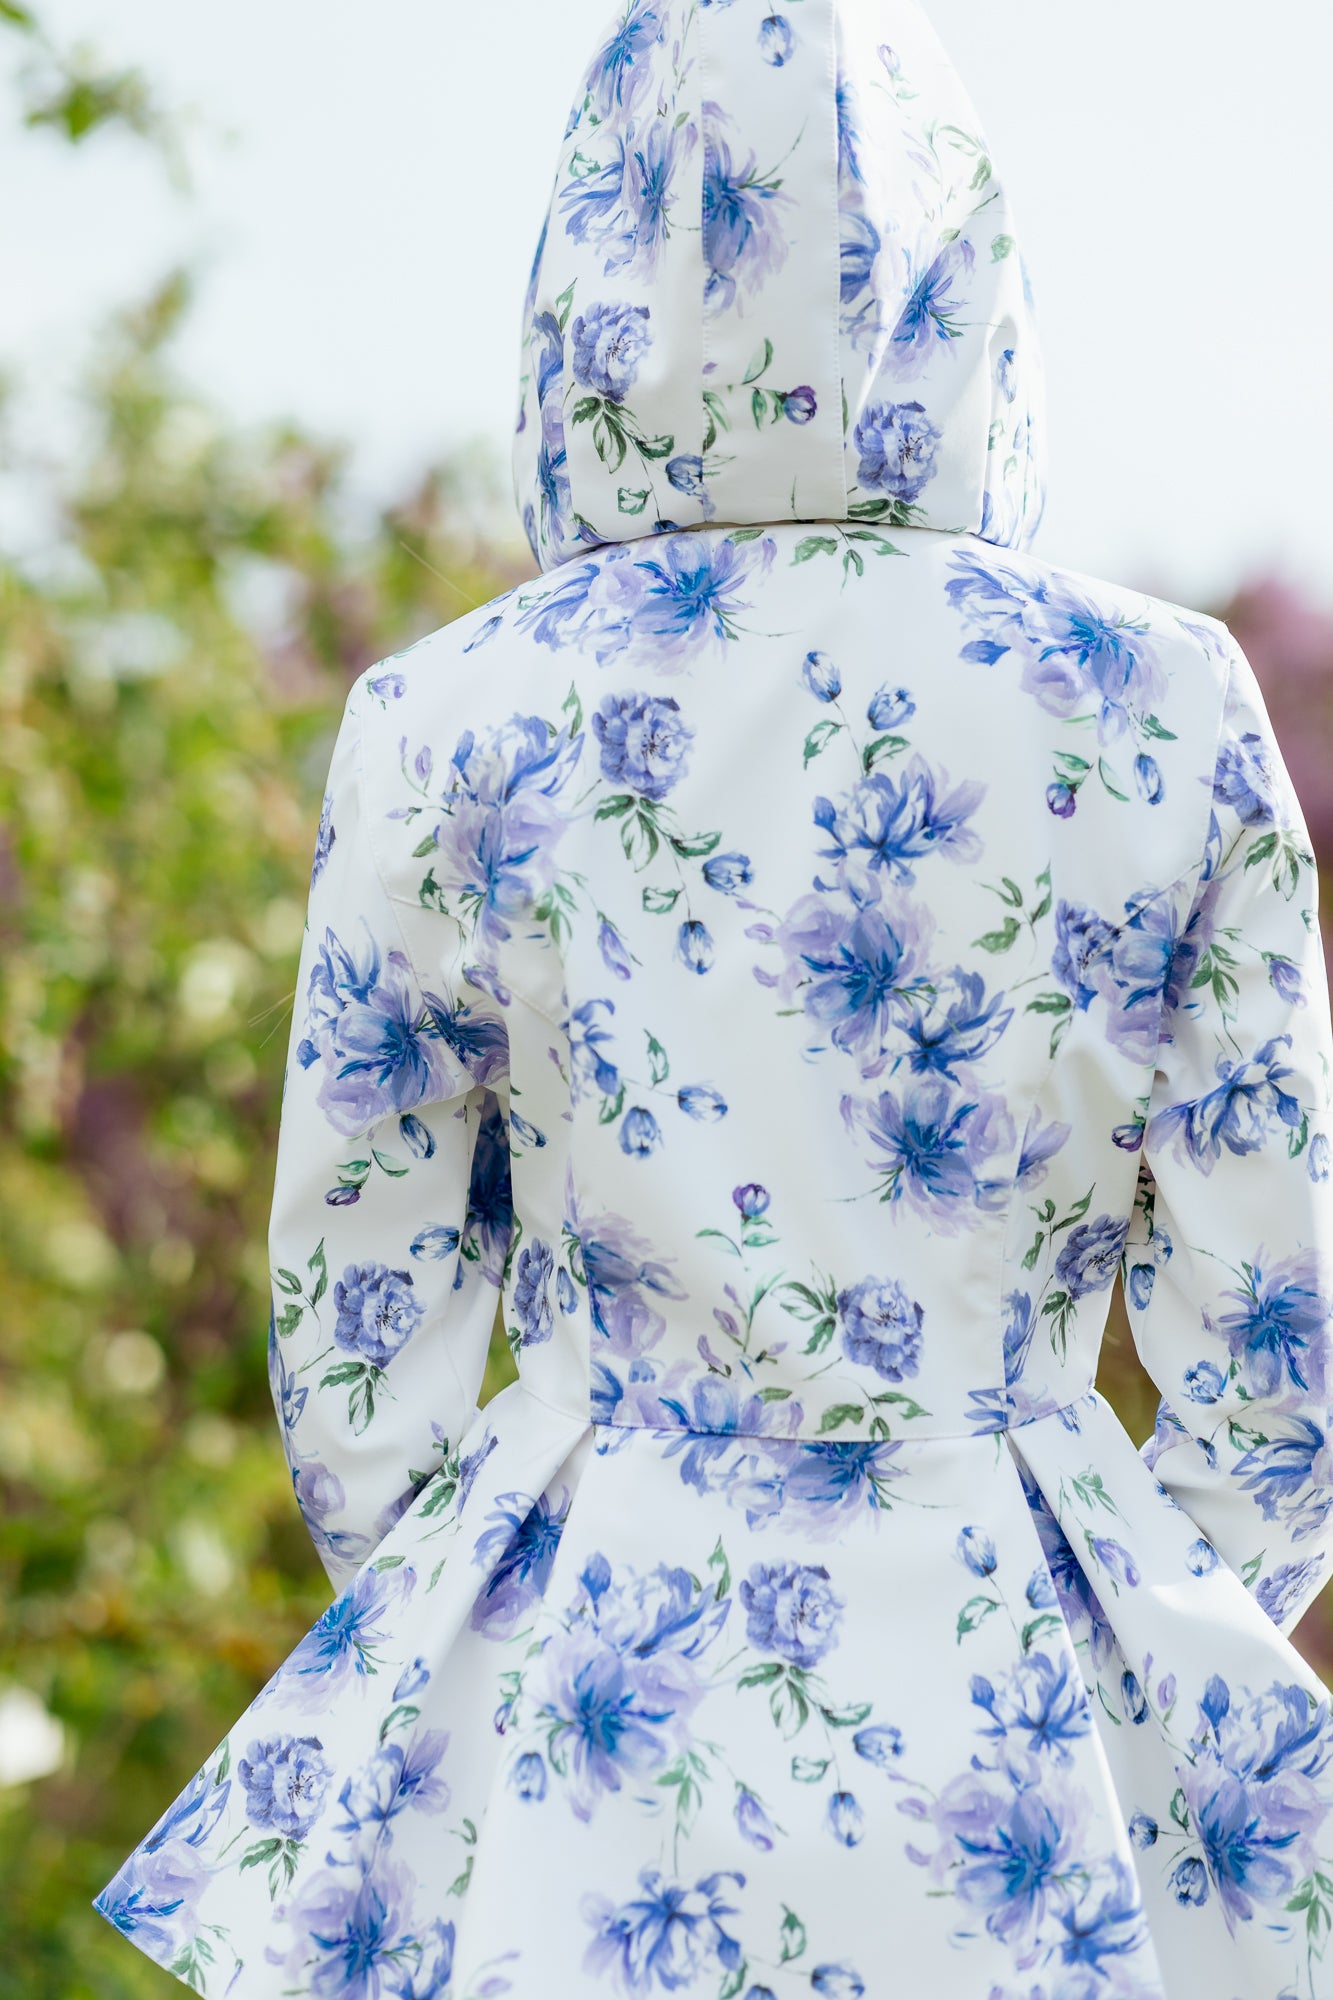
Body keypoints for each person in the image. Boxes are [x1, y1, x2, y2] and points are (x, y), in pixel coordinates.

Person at [96, 3, 1333, 1996]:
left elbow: (359, 1332)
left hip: (589, 1714)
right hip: (1032, 1733)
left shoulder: (445, 717)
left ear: (592, 261)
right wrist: (1120, 1628)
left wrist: (486, 1634)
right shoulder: (1162, 705)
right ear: (964, 262)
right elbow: (1279, 1353)